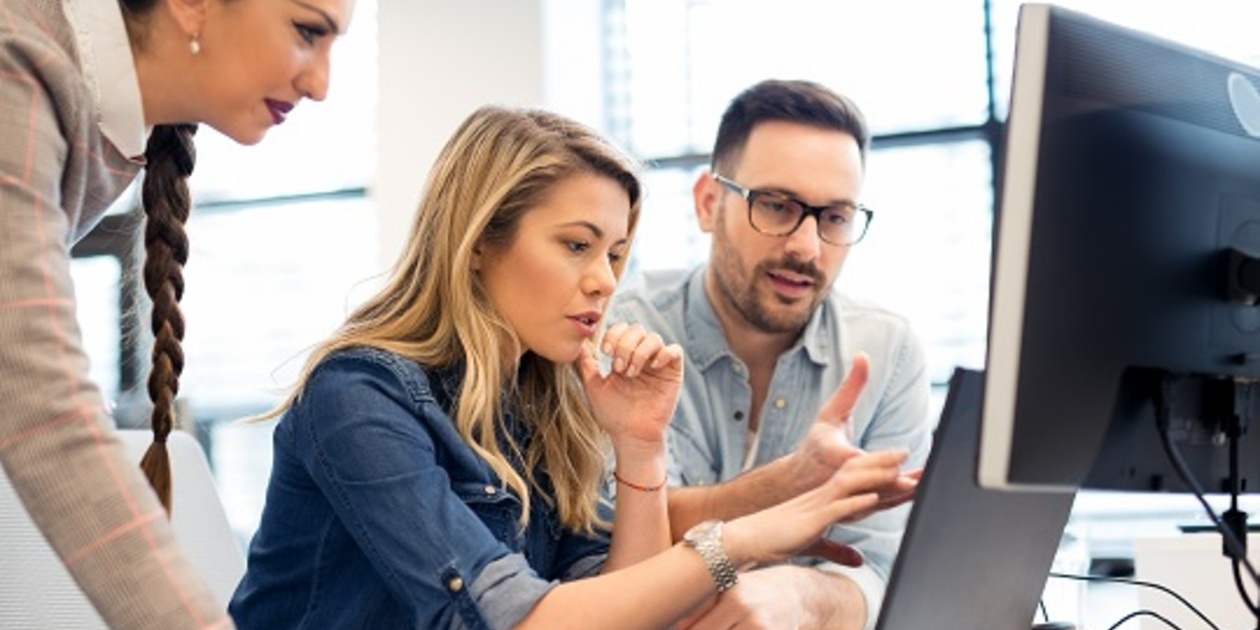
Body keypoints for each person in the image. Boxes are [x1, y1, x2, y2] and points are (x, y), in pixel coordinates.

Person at [229, 105, 910, 629]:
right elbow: (518, 620)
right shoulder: (359, 394)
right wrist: (741, 539)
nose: (605, 281)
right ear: (476, 244)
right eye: (576, 246)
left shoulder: (541, 406)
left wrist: (639, 449)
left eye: (613, 254)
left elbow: (618, 610)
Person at [0, 0, 355, 627]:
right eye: (306, 32)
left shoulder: (97, 115)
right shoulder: (17, 63)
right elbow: (40, 408)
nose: (322, 84)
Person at [608, 79, 933, 630]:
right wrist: (793, 483)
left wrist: (805, 596)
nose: (807, 247)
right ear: (709, 204)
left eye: (834, 218)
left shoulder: (888, 352)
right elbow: (609, 534)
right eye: (777, 206)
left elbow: (888, 572)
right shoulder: (622, 334)